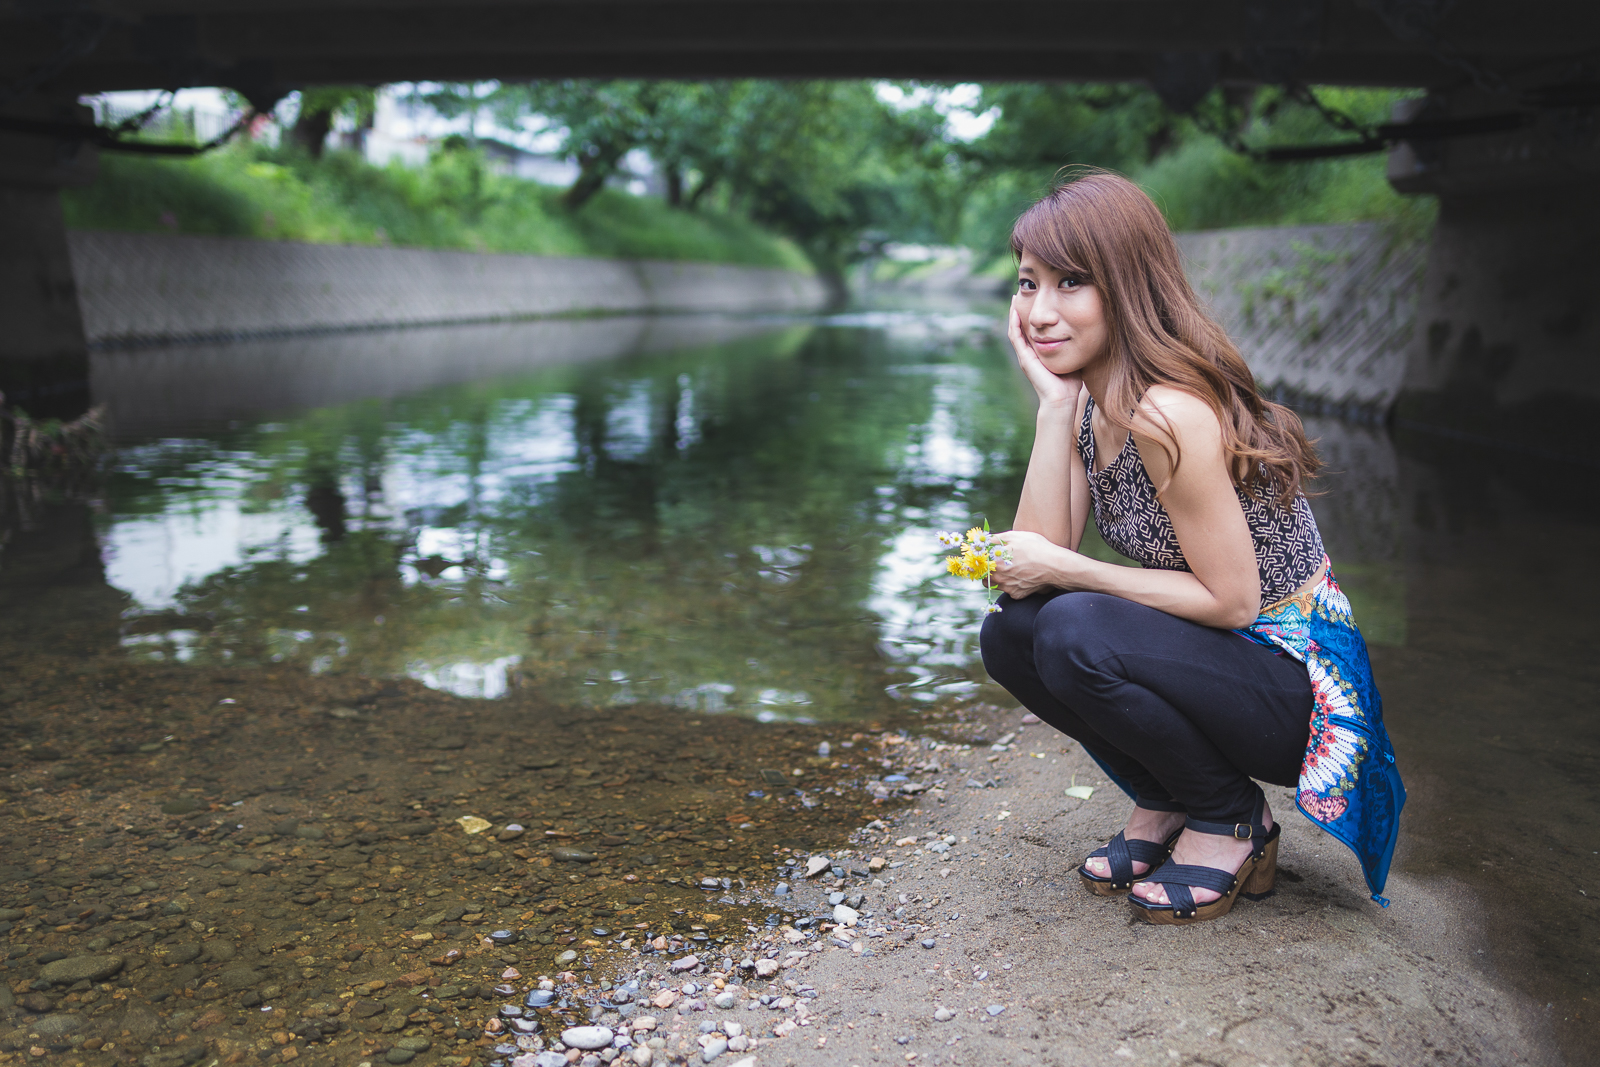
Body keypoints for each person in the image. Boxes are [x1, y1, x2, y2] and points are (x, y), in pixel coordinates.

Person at [979, 170, 1404, 925]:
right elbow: (1026, 578)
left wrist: (1070, 570)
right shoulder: (1090, 406)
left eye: (1071, 282)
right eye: (1027, 283)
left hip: (1296, 688)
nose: (1040, 311)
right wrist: (1052, 409)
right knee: (1012, 631)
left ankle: (1231, 817)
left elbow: (1235, 600)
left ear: (1126, 285)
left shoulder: (1167, 411)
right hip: (1221, 662)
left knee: (1076, 625)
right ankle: (1170, 794)